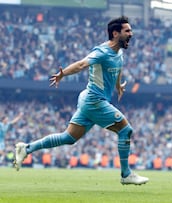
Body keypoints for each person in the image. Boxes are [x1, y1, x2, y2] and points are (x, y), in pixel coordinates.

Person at [13, 16, 149, 185]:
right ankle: (126, 174)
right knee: (125, 130)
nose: (131, 33)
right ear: (115, 33)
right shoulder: (101, 52)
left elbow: (117, 68)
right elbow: (81, 65)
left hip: (89, 100)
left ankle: (26, 148)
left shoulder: (119, 53)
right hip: (94, 100)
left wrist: (118, 85)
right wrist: (63, 74)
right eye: (127, 31)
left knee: (68, 138)